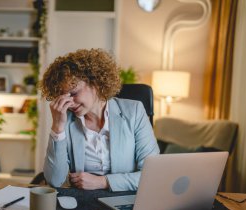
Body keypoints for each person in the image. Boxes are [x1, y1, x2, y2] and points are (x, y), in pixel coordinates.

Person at [39, 48, 159, 192]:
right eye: (63, 96)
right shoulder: (65, 119)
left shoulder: (134, 112)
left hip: (126, 198)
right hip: (82, 201)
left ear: (95, 83)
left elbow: (152, 176)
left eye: (74, 93)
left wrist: (103, 182)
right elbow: (54, 181)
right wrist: (57, 126)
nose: (68, 103)